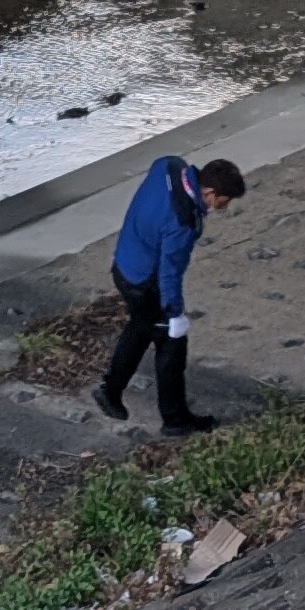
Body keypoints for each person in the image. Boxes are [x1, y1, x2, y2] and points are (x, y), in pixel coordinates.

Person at [91, 153, 246, 437]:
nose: (224, 207)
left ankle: (110, 392)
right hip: (144, 281)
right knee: (172, 345)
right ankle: (174, 419)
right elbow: (169, 274)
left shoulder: (169, 165)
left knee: (139, 328)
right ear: (210, 192)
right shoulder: (184, 223)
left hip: (124, 263)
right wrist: (174, 313)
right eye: (225, 200)